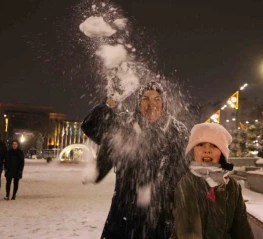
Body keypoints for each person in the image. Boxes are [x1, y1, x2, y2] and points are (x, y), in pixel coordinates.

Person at [81, 81, 189, 239]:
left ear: (163, 104)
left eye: (156, 99)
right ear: (139, 103)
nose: (151, 104)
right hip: (125, 213)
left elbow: (184, 172)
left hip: (161, 216)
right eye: (145, 99)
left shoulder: (177, 131)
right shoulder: (124, 124)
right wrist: (109, 103)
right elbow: (90, 126)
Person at [171, 123, 254, 239]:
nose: (207, 150)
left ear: (222, 152)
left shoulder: (232, 186)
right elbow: (187, 229)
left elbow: (241, 226)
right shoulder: (188, 183)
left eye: (214, 146)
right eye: (200, 145)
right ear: (192, 150)